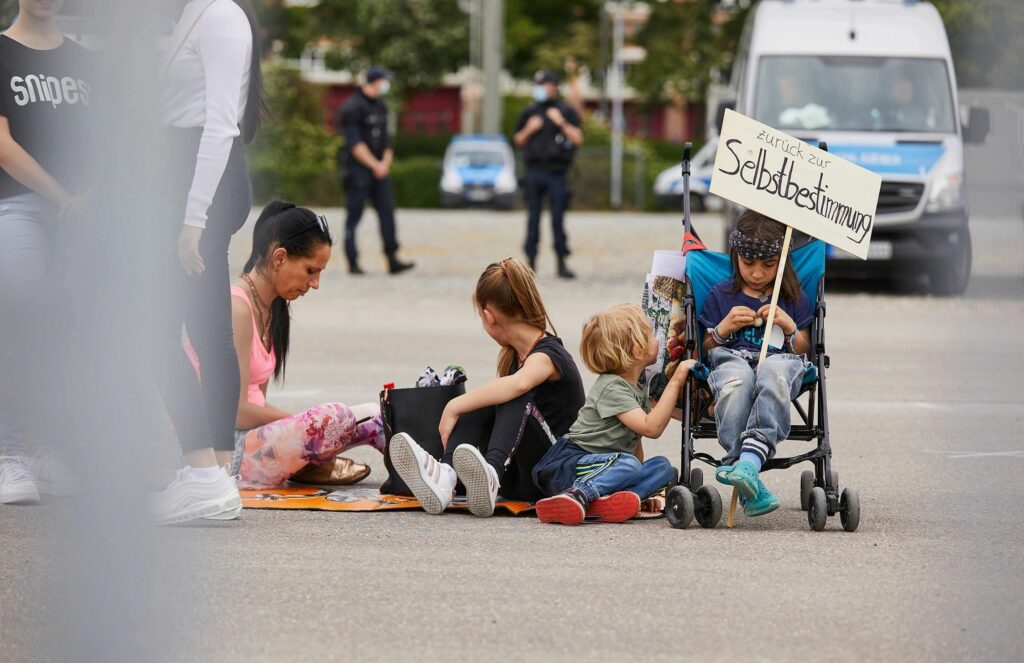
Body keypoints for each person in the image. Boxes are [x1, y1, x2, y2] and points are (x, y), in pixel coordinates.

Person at [151, 0, 269, 524]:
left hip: (202, 186)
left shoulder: (220, 16)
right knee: (204, 331)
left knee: (154, 334)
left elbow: (221, 125)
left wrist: (193, 219)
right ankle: (215, 475)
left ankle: (207, 474)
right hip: (187, 182)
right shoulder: (190, 15)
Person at [388, 258, 585, 517]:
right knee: (486, 398)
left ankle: (490, 473)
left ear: (489, 316)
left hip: (553, 473)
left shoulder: (550, 354)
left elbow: (519, 384)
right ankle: (446, 477)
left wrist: (453, 405)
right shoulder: (517, 357)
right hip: (518, 481)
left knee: (512, 393)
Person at [213, 201, 386, 488]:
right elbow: (236, 410)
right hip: (227, 451)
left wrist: (305, 432)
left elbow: (258, 402)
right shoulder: (237, 308)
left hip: (256, 442)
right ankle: (312, 464)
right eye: (310, 270)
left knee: (376, 415)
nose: (315, 283)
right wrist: (306, 426)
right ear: (279, 257)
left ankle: (428, 474)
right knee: (334, 417)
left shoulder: (273, 310)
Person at [0, 0, 91, 505]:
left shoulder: (85, 62)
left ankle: (51, 449)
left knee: (73, 328)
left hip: (85, 215)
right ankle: (10, 453)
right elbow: (2, 143)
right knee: (25, 310)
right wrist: (64, 197)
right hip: (19, 207)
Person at [531, 304, 694, 526]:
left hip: (608, 465)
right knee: (629, 465)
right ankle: (576, 495)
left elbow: (638, 443)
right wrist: (676, 380)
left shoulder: (634, 387)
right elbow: (651, 428)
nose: (658, 339)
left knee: (663, 467)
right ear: (638, 350)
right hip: (571, 464)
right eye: (650, 335)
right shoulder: (612, 388)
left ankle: (616, 500)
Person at [698, 210, 812, 518]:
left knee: (771, 372)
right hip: (732, 360)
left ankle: (744, 464)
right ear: (735, 257)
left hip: (779, 362)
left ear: (781, 261)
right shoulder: (720, 294)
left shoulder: (792, 297)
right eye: (748, 264)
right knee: (736, 381)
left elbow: (804, 349)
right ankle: (748, 469)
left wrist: (789, 327)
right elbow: (706, 349)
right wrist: (723, 329)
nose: (758, 273)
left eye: (767, 265)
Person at [336, 65, 413, 276]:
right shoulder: (352, 107)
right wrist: (374, 165)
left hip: (380, 170)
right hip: (358, 171)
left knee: (387, 212)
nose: (386, 85)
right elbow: (355, 143)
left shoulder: (381, 106)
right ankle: (352, 262)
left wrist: (385, 163)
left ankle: (392, 258)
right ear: (374, 82)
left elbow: (387, 140)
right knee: (354, 215)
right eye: (383, 81)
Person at [513, 70, 584, 279]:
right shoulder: (530, 112)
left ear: (554, 87)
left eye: (544, 85)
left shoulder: (566, 111)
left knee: (557, 219)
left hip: (557, 173)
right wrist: (529, 129)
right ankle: (531, 263)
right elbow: (518, 140)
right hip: (534, 172)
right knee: (532, 218)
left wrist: (561, 122)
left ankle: (561, 263)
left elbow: (578, 138)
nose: (540, 89)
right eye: (538, 85)